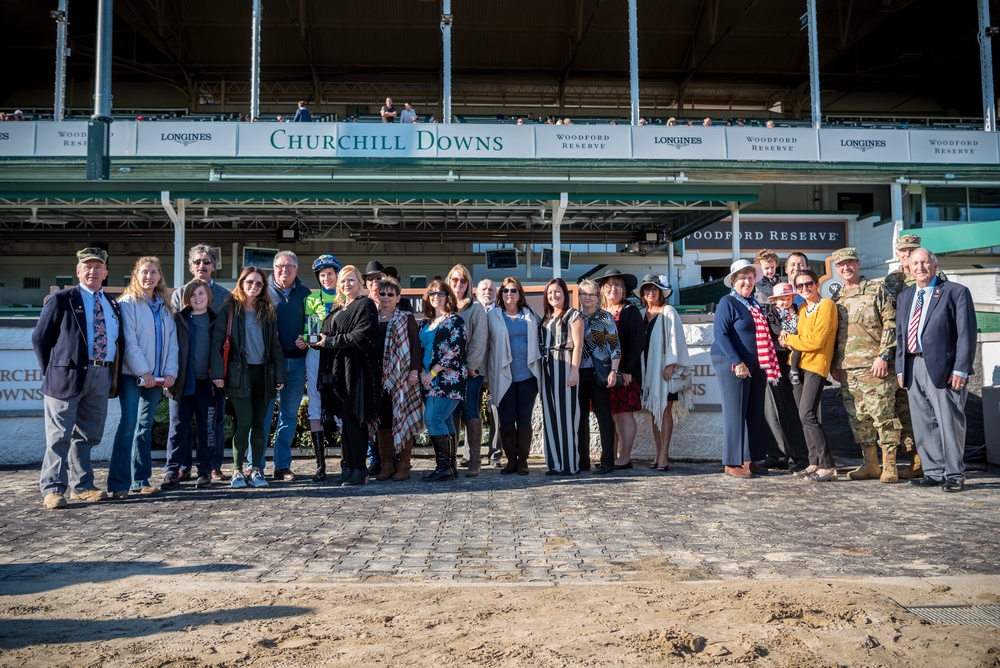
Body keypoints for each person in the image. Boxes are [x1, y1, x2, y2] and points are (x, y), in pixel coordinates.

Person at [33, 248, 122, 509]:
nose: (93, 271)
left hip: (100, 373)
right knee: (59, 435)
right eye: (87, 267)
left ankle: (82, 486)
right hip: (65, 376)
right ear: (78, 271)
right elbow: (40, 339)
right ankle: (52, 489)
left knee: (88, 435)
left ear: (105, 272)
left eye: (98, 267)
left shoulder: (112, 302)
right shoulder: (62, 299)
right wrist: (52, 371)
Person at [896, 248, 977, 493]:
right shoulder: (906, 295)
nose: (920, 267)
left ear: (935, 264)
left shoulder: (955, 292)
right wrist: (901, 367)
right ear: (908, 267)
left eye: (925, 262)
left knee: (949, 422)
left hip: (944, 367)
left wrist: (960, 369)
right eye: (915, 263)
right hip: (913, 365)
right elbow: (901, 335)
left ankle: (954, 474)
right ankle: (933, 472)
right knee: (923, 423)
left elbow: (966, 334)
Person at [107, 256, 178, 499]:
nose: (149, 277)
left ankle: (141, 480)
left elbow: (172, 345)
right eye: (144, 272)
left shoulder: (164, 306)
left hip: (157, 379)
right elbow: (129, 342)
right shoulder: (128, 303)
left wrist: (170, 372)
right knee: (128, 426)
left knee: (144, 428)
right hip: (132, 376)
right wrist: (143, 372)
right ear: (136, 275)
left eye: (154, 272)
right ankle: (118, 483)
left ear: (160, 277)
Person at [830, 247, 902, 483]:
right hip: (848, 369)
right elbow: (832, 333)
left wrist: (884, 356)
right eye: (841, 265)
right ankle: (870, 464)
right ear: (837, 269)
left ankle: (889, 464)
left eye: (850, 263)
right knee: (859, 419)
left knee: (883, 416)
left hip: (875, 367)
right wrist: (834, 364)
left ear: (858, 264)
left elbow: (891, 323)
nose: (846, 268)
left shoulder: (876, 289)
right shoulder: (837, 297)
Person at [213, 267, 286, 489]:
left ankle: (255, 469)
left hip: (264, 373)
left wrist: (280, 373)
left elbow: (274, 345)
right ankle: (236, 470)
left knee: (259, 424)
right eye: (250, 282)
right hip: (238, 373)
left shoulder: (268, 310)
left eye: (259, 283)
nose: (253, 286)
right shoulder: (229, 309)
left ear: (263, 287)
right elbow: (217, 344)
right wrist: (217, 374)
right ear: (241, 282)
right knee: (244, 423)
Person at [711, 260, 781, 478]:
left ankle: (750, 460)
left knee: (754, 412)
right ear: (733, 281)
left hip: (756, 364)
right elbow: (721, 334)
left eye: (751, 278)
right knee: (735, 413)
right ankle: (732, 463)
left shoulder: (753, 303)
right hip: (732, 362)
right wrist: (738, 362)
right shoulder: (727, 302)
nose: (747, 282)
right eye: (743, 278)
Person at [315, 265, 380, 487]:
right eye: (343, 281)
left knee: (355, 421)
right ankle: (350, 467)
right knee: (347, 424)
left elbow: (362, 335)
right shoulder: (339, 307)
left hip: (357, 371)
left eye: (351, 280)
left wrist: (330, 341)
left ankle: (360, 470)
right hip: (338, 371)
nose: (346, 284)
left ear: (359, 282)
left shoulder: (365, 304)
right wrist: (315, 340)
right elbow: (328, 334)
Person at [170, 244, 229, 482]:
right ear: (190, 266)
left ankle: (213, 465)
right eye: (197, 262)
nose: (201, 266)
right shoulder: (178, 295)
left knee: (214, 421)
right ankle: (183, 466)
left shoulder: (225, 296)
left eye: (206, 262)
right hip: (185, 373)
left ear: (214, 266)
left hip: (213, 374)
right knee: (181, 424)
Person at [780, 269, 839, 482]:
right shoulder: (803, 308)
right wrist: (788, 338)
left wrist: (791, 341)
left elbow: (816, 341)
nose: (805, 288)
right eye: (800, 286)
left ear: (816, 284)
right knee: (803, 416)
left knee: (808, 414)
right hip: (797, 366)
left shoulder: (827, 306)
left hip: (816, 366)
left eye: (808, 284)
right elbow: (800, 337)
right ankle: (813, 462)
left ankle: (828, 465)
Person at [161, 280, 218, 490]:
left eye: (201, 294)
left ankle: (204, 471)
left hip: (208, 384)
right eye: (192, 295)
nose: (197, 298)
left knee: (207, 429)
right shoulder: (178, 319)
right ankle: (172, 471)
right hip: (181, 382)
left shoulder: (216, 320)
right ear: (186, 298)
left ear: (208, 296)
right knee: (178, 429)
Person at [881, 232, 927, 478]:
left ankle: (925, 459)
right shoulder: (892, 280)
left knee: (921, 407)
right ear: (897, 254)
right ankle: (912, 458)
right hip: (899, 351)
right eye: (904, 251)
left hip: (924, 351)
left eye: (912, 250)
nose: (908, 255)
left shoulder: (933, 276)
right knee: (900, 406)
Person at [485, 277, 542, 475]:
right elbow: (485, 346)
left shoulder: (531, 314)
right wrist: (485, 375)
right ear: (501, 294)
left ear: (520, 294)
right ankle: (511, 460)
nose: (509, 294)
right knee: (507, 419)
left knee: (524, 418)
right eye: (506, 291)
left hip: (528, 375)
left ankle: (523, 460)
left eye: (513, 290)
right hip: (502, 375)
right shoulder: (493, 315)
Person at [261, 251, 310, 481]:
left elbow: (312, 324)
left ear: (296, 270)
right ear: (273, 268)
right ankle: (256, 466)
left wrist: (307, 339)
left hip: (297, 362)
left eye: (290, 266)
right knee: (263, 416)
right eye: (280, 265)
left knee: (288, 417)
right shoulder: (263, 291)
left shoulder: (306, 293)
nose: (284, 270)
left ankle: (282, 466)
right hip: (268, 364)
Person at [637, 273, 691, 472]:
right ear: (642, 294)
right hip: (648, 369)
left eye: (654, 289)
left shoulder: (668, 311)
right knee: (653, 410)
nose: (650, 292)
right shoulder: (642, 314)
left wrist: (671, 364)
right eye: (647, 289)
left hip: (666, 369)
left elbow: (675, 339)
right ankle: (657, 451)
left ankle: (664, 454)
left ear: (661, 292)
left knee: (665, 409)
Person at [371, 277, 424, 481]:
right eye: (382, 294)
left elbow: (415, 346)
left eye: (390, 294)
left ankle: (404, 465)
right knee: (383, 422)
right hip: (378, 379)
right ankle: (386, 465)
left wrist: (414, 371)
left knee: (403, 417)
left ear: (398, 297)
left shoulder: (406, 317)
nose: (386, 297)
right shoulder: (371, 318)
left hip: (402, 377)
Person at [418, 280, 468, 482]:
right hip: (428, 378)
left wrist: (433, 372)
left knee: (432, 419)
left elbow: (456, 350)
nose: (436, 296)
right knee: (445, 421)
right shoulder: (425, 323)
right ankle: (450, 467)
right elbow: (420, 350)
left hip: (449, 378)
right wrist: (423, 372)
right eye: (432, 293)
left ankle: (442, 468)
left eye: (440, 293)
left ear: (448, 296)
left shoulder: (455, 321)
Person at [596, 269, 644, 469]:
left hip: (624, 370)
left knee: (624, 414)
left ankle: (624, 457)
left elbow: (637, 342)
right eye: (609, 285)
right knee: (611, 414)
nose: (613, 289)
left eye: (618, 285)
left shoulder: (629, 311)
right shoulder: (598, 313)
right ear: (603, 291)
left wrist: (628, 370)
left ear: (623, 290)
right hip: (603, 373)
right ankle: (610, 456)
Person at [761, 282, 810, 473]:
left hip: (793, 359)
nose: (785, 302)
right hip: (775, 360)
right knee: (775, 408)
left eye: (788, 298)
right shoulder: (770, 313)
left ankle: (802, 455)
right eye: (781, 299)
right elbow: (772, 327)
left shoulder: (798, 310)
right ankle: (779, 454)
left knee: (793, 409)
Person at [575, 279, 619, 475]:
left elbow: (615, 347)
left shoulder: (605, 317)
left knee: (603, 417)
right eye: (583, 293)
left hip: (599, 371)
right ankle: (582, 460)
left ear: (597, 298)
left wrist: (614, 371)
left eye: (591, 294)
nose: (587, 297)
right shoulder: (573, 317)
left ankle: (607, 461)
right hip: (578, 372)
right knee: (580, 417)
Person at [540, 278, 584, 475]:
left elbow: (578, 345)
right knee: (550, 416)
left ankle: (569, 464)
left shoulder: (573, 315)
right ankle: (554, 464)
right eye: (550, 293)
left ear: (565, 293)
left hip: (565, 366)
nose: (553, 296)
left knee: (566, 417)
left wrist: (574, 371)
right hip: (547, 369)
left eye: (557, 292)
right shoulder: (546, 318)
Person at [448, 264, 488, 476]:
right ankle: (451, 460)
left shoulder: (476, 308)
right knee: (451, 414)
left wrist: (471, 366)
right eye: (455, 280)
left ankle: (475, 460)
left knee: (470, 412)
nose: (458, 284)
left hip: (469, 373)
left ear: (469, 284)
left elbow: (480, 339)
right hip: (446, 372)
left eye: (463, 281)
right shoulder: (444, 306)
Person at [303, 254, 340, 481]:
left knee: (342, 404)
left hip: (340, 356)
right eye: (322, 275)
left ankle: (348, 462)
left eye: (330, 274)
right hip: (316, 354)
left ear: (338, 274)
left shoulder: (346, 297)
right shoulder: (311, 299)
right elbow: (311, 331)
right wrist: (306, 338)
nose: (326, 278)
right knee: (315, 403)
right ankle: (320, 465)